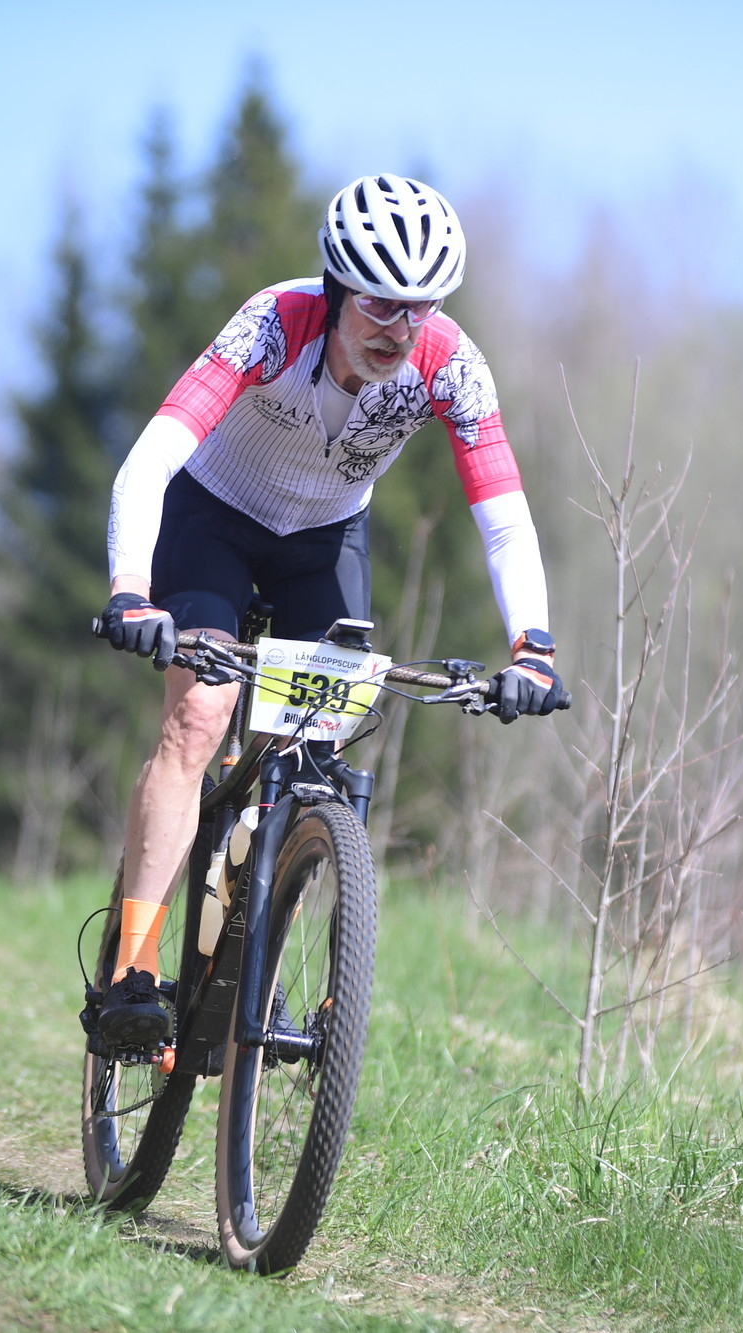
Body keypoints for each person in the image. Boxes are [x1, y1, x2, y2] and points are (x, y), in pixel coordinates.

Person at [93, 174, 566, 1047]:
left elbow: (503, 515)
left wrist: (532, 647)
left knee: (315, 755)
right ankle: (134, 966)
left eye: (420, 308)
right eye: (381, 305)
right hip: (212, 521)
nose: (400, 329)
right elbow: (150, 460)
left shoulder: (451, 365)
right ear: (339, 288)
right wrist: (130, 590)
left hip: (325, 540)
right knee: (199, 717)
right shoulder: (274, 323)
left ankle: (256, 954)